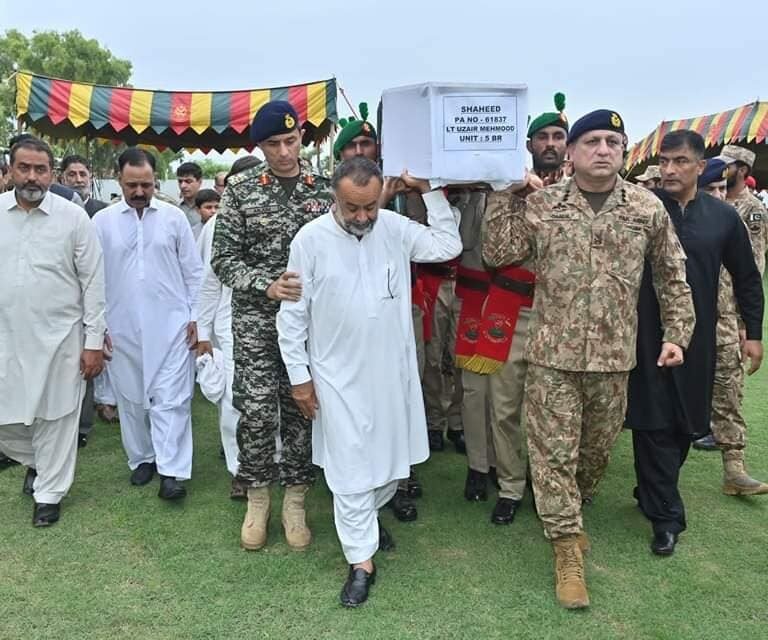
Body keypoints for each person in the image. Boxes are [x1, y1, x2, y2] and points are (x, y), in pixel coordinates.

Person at [482, 109, 695, 609]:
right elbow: (497, 253)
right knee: (553, 456)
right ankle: (566, 550)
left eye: (613, 142)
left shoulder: (646, 208)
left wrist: (677, 335)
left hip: (614, 360)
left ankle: (570, 513)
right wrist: (503, 196)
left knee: (593, 457)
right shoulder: (544, 204)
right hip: (552, 357)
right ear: (573, 152)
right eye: (593, 141)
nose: (604, 149)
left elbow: (671, 275)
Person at [277, 156, 462, 607]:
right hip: (336, 377)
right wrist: (300, 379)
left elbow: (446, 245)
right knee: (349, 471)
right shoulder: (310, 240)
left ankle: (368, 522)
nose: (362, 218)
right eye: (351, 208)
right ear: (333, 199)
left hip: (391, 374)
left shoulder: (394, 228)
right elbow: (292, 316)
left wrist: (427, 190)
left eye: (369, 208)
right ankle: (361, 561)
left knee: (391, 462)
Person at [626, 131, 764, 556]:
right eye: (665, 161)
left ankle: (652, 489)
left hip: (700, 338)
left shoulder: (723, 219)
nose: (669, 170)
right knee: (651, 420)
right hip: (645, 334)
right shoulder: (643, 211)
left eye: (680, 161)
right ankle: (667, 517)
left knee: (687, 422)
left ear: (701, 167)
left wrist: (754, 334)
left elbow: (747, 278)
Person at [211, 101, 333, 551]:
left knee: (302, 409)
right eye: (272, 144)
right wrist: (266, 285)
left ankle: (296, 502)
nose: (283, 151)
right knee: (258, 412)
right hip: (257, 323)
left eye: (290, 140)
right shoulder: (240, 190)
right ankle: (258, 499)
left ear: (301, 136)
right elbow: (222, 259)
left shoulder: (324, 189)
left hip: (309, 326)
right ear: (258, 146)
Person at [458, 93, 568, 524]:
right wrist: (515, 194)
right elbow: (492, 251)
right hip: (513, 308)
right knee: (504, 407)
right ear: (528, 145)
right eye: (542, 136)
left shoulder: (580, 192)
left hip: (561, 315)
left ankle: (552, 485)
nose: (550, 143)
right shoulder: (508, 190)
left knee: (554, 411)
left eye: (558, 136)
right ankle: (509, 486)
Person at [0, 136, 106, 526]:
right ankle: (38, 463)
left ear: (52, 174)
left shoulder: (73, 217)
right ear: (10, 170)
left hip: (62, 337)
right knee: (8, 418)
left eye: (40, 169)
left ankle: (49, 493)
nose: (32, 176)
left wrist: (94, 342)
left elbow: (94, 282)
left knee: (57, 417)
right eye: (24, 168)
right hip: (6, 337)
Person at [93, 148, 202, 501]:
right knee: (131, 398)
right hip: (120, 326)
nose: (139, 192)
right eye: (131, 185)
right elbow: (92, 278)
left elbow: (194, 273)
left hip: (172, 325)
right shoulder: (102, 222)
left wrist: (196, 317)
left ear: (156, 180)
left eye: (146, 184)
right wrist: (97, 327)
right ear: (119, 179)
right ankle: (142, 458)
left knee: (172, 399)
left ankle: (172, 472)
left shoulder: (173, 219)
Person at [334, 103, 421, 522]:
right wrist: (378, 203)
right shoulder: (338, 203)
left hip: (403, 309)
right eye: (351, 146)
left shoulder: (407, 185)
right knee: (356, 420)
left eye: (367, 142)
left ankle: (398, 485)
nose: (360, 150)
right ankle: (362, 506)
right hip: (349, 330)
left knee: (398, 399)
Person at [691, 157, 768, 492]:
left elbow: (748, 275)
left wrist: (745, 325)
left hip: (722, 321)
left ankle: (734, 469)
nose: (720, 196)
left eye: (723, 188)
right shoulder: (676, 221)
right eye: (711, 189)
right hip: (680, 326)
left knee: (728, 391)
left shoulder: (730, 224)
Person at [195, 185, 246, 499]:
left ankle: (278, 460)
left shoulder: (283, 213)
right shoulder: (219, 224)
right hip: (229, 324)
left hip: (278, 322)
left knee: (279, 400)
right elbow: (209, 281)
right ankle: (239, 471)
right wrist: (203, 334)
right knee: (232, 402)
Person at [60, 154, 111, 446]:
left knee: (88, 358)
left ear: (90, 176)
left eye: (82, 174)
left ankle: (83, 425)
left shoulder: (101, 212)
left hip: (91, 295)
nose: (78, 179)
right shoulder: (54, 210)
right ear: (62, 177)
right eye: (72, 174)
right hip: (60, 298)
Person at [177, 161, 204, 238]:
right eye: (180, 181)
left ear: (200, 182)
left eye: (188, 181)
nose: (183, 186)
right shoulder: (175, 209)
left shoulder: (209, 208)